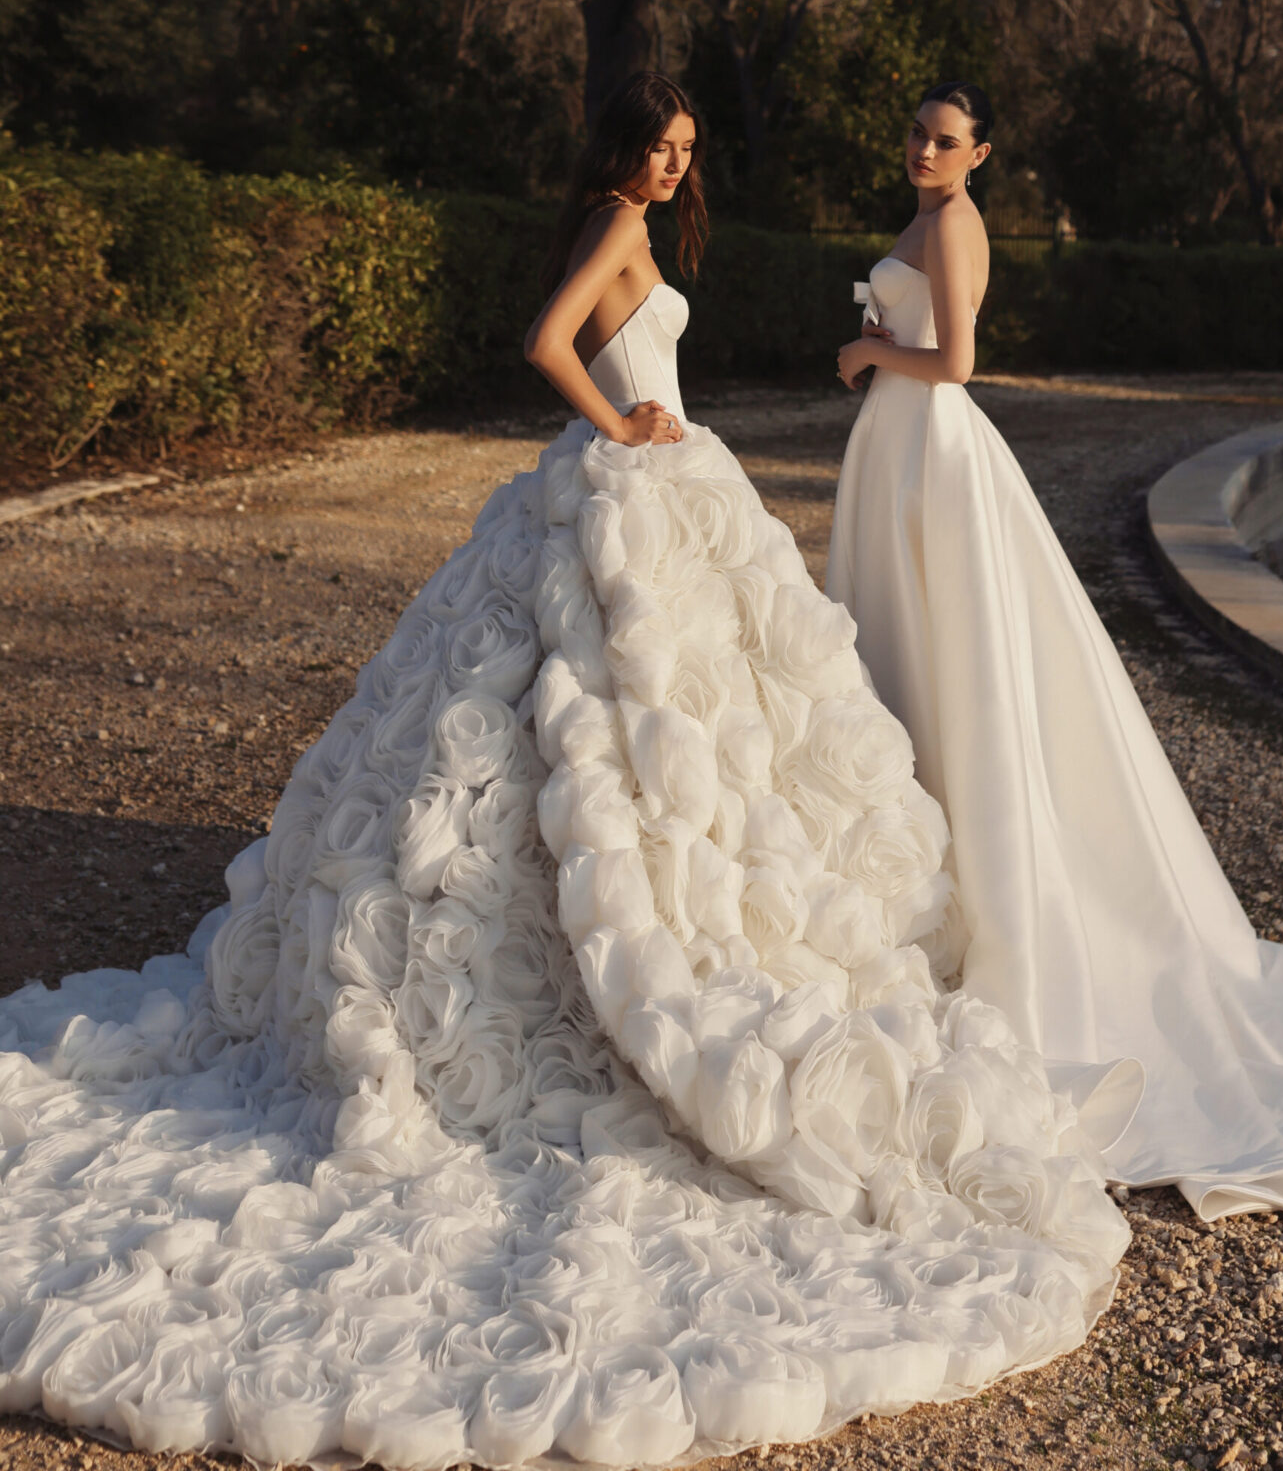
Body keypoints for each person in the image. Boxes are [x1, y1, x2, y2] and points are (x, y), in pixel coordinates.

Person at [0, 73, 1128, 1471]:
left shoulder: (648, 227)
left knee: (690, 746)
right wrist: (619, 422)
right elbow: (546, 341)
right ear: (617, 151)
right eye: (655, 148)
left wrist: (648, 423)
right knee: (582, 734)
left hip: (670, 486)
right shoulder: (608, 220)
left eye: (685, 152)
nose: (667, 168)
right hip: (626, 479)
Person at [828, 78, 1283, 1222]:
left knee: (961, 674)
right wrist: (875, 350)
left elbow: (955, 361)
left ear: (981, 153)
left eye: (945, 139)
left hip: (937, 452)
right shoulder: (920, 219)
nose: (924, 150)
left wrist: (869, 361)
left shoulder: (955, 224)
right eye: (915, 132)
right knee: (899, 663)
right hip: (895, 458)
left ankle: (1000, 913)